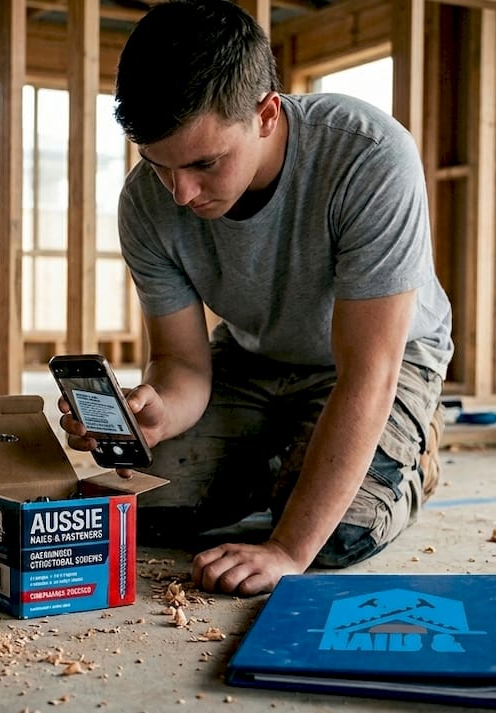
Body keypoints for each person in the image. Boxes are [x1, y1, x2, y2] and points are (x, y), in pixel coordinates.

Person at [59, 0, 453, 597]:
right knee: (151, 509)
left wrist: (287, 550)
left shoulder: (370, 157)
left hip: (381, 361)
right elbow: (185, 365)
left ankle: (411, 456)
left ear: (267, 114)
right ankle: (285, 454)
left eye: (204, 163)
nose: (182, 193)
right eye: (159, 164)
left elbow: (367, 374)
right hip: (254, 356)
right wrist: (162, 408)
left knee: (339, 532)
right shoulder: (146, 202)